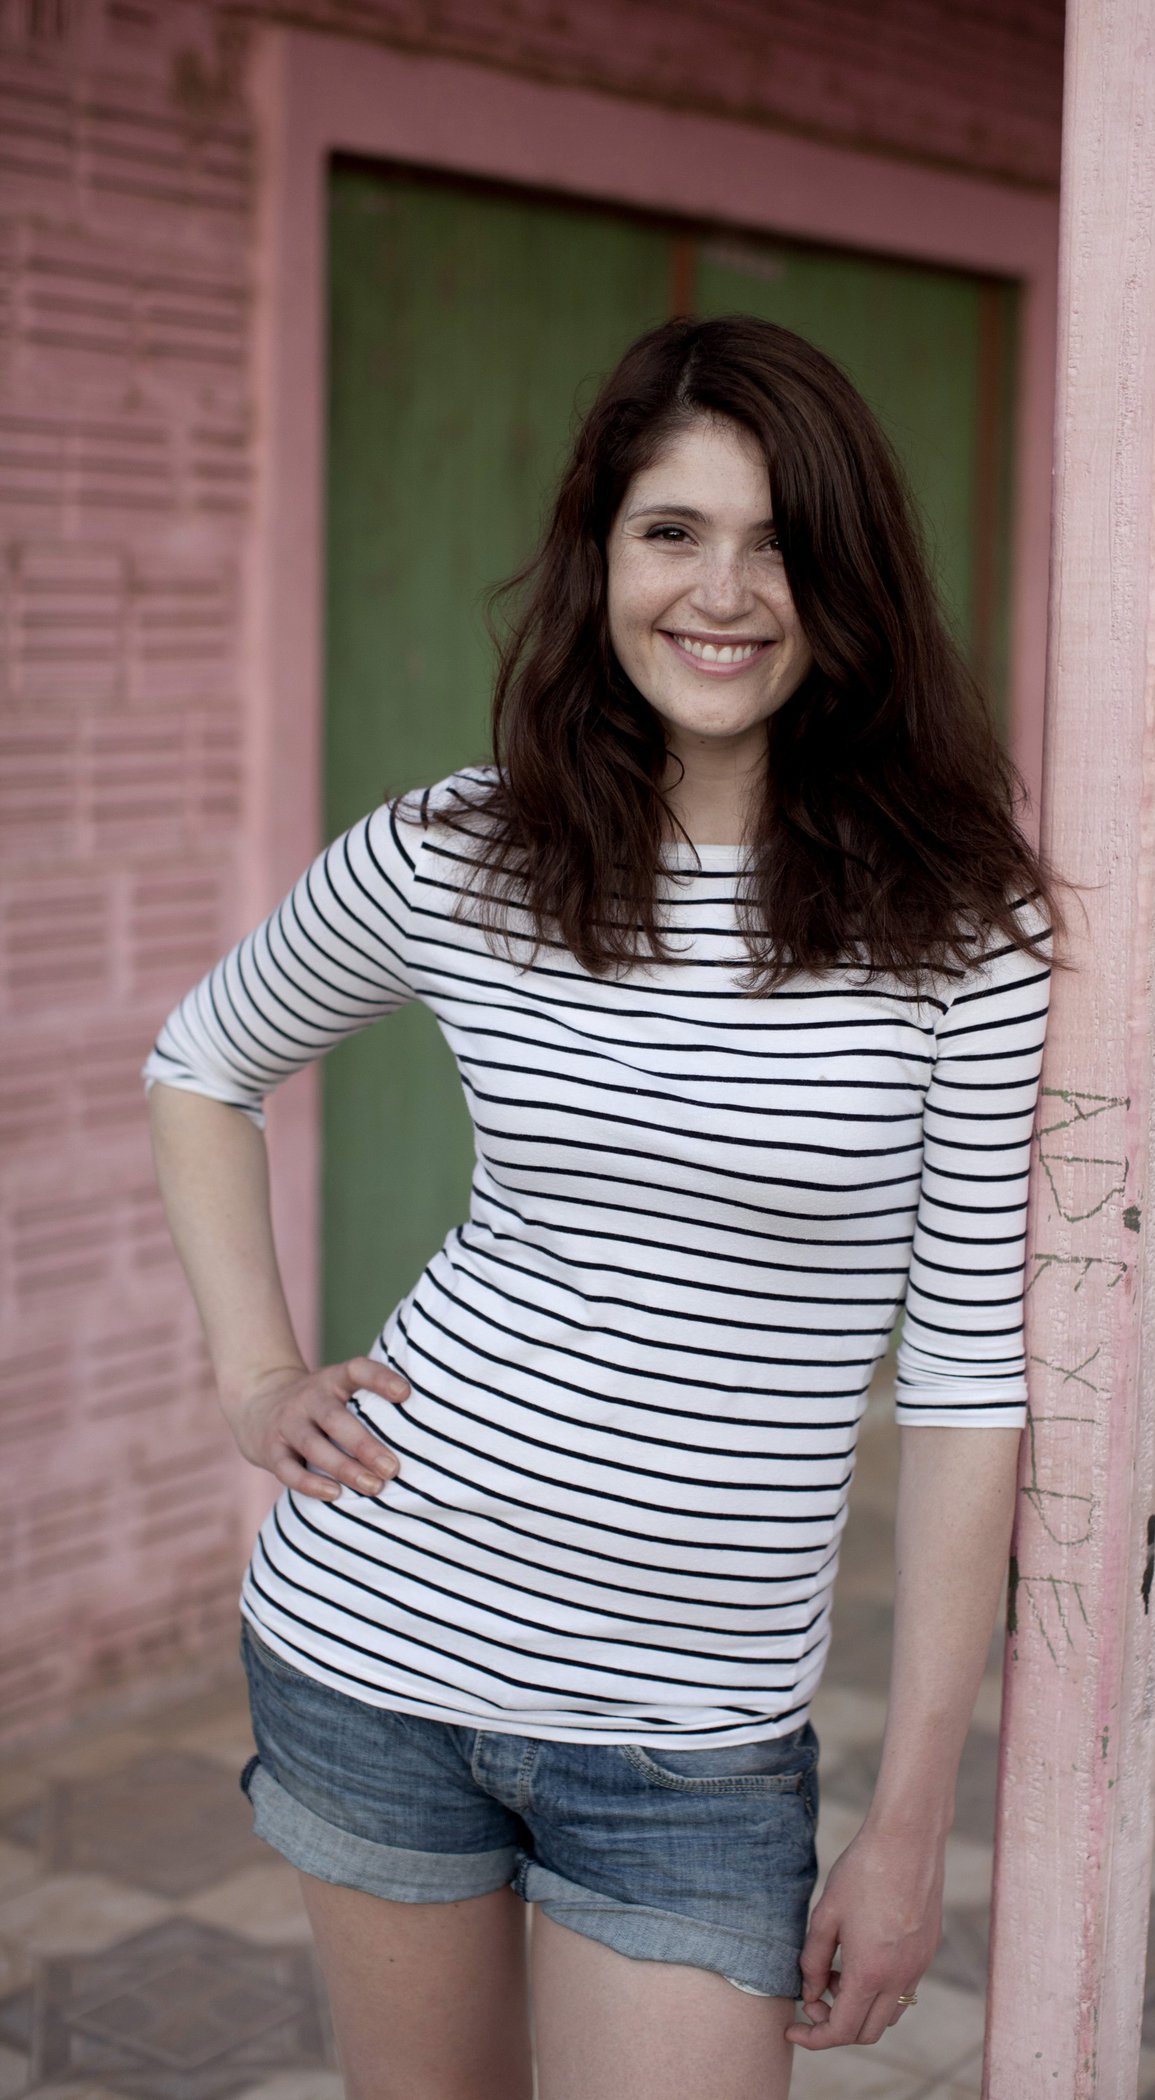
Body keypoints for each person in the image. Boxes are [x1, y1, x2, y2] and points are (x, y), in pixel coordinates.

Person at [143, 313, 1060, 2100]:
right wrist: (252, 1377)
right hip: (380, 1639)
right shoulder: (458, 853)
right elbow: (203, 1064)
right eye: (673, 531)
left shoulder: (965, 924)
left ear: (852, 580)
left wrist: (913, 1815)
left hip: (695, 1750)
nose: (724, 592)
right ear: (600, 556)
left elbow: (963, 1378)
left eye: (781, 541)